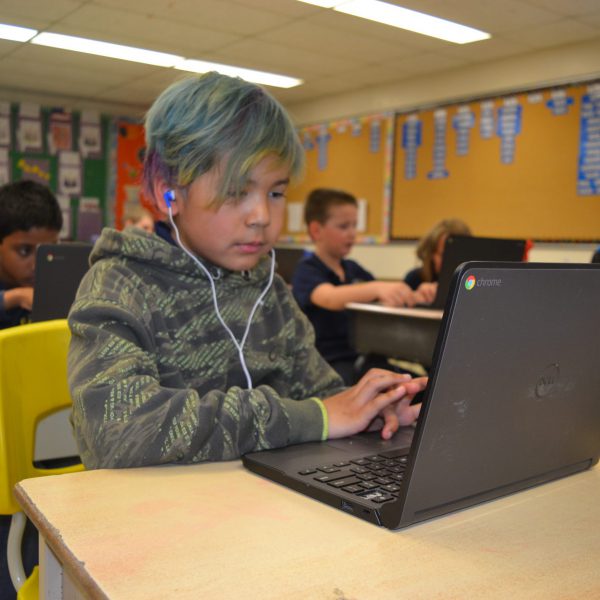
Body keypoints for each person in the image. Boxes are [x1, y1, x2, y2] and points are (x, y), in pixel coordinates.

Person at [67, 72, 427, 470]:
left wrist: (369, 410)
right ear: (165, 189)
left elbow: (321, 392)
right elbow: (118, 432)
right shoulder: (120, 284)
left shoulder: (267, 289)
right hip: (157, 519)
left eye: (275, 192)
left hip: (254, 509)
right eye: (237, 191)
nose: (261, 216)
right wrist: (314, 418)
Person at [291, 188, 434, 385]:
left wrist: (418, 295)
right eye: (343, 226)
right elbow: (329, 297)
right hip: (328, 364)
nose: (352, 233)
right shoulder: (307, 270)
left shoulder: (352, 269)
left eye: (354, 225)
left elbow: (384, 295)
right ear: (316, 230)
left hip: (367, 357)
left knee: (424, 385)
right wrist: (376, 288)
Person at [0, 180, 63, 329]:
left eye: (47, 251)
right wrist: (16, 297)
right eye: (24, 251)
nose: (37, 265)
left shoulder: (54, 283)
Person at [404, 218, 472, 291]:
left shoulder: (475, 279)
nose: (449, 261)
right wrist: (417, 297)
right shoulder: (415, 278)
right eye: (443, 255)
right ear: (431, 254)